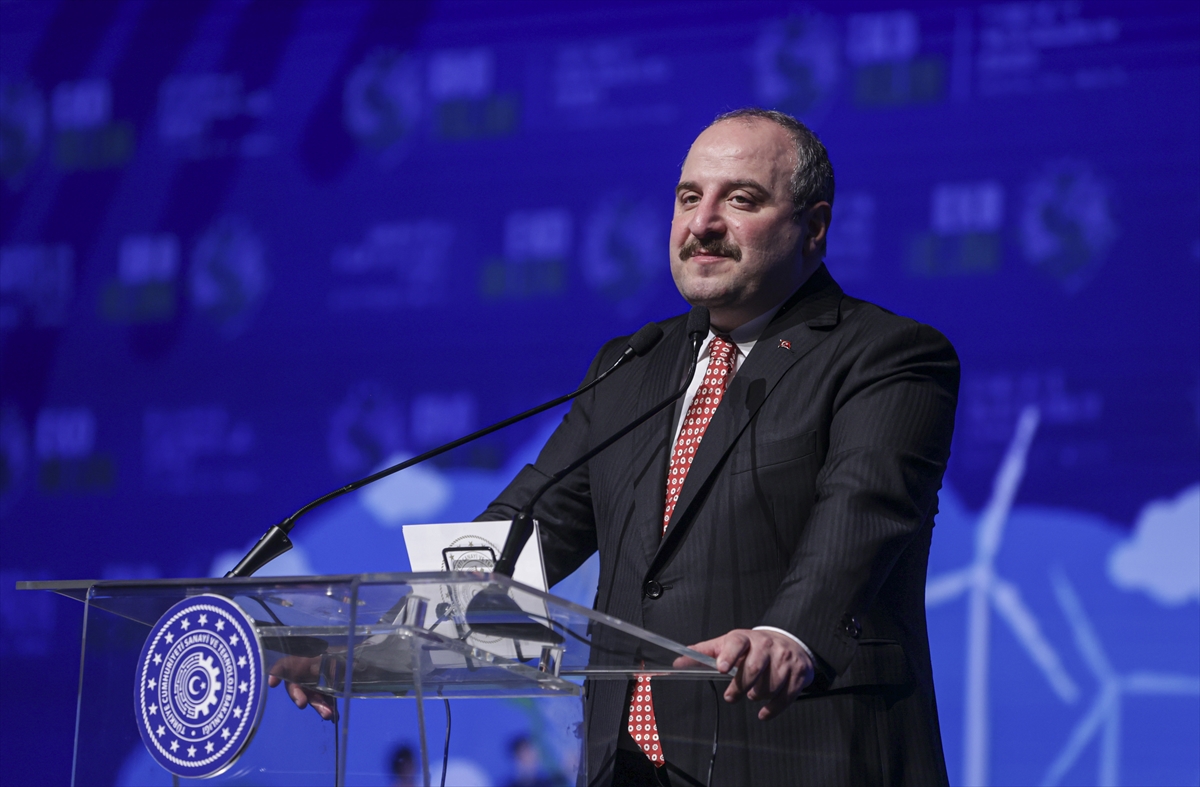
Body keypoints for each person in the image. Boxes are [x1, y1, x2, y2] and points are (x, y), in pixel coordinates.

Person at [478, 108, 959, 786]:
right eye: (688, 197)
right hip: (630, 770)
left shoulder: (886, 356)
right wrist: (371, 642)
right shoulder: (631, 366)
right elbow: (531, 529)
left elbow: (862, 515)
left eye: (740, 199)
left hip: (803, 753)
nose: (702, 223)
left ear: (813, 227)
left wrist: (789, 634)